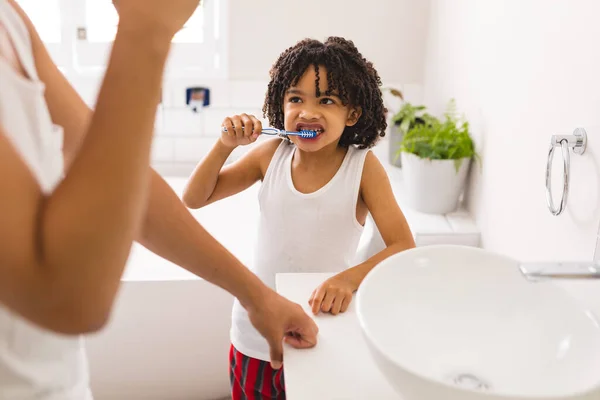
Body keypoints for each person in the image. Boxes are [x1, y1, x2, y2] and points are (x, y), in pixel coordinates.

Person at [0, 0, 318, 398]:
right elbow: (70, 300)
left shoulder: (10, 21)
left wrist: (256, 296)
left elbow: (134, 186)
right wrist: (145, 28)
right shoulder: (270, 156)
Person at [183, 36, 416, 400]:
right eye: (296, 98)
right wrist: (224, 145)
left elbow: (403, 246)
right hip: (253, 334)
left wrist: (348, 280)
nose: (308, 111)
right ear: (281, 104)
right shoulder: (269, 155)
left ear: (352, 114)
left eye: (326, 100)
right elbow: (195, 197)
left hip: (319, 332)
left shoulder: (363, 169)